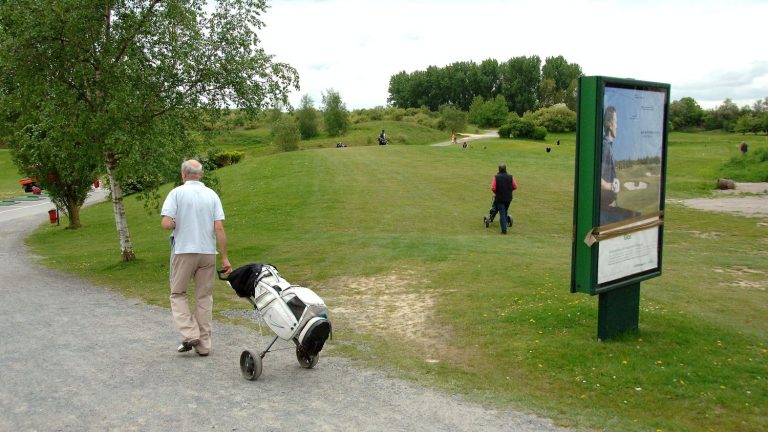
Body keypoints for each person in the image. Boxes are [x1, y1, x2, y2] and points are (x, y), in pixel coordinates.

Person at [161, 159, 231, 357]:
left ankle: (190, 333)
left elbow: (166, 223)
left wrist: (173, 222)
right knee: (204, 297)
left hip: (184, 250)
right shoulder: (212, 195)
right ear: (201, 174)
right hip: (208, 252)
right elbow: (218, 227)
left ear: (183, 174)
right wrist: (225, 257)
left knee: (178, 293)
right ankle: (204, 345)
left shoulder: (176, 193)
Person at [490, 164, 516, 235]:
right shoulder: (511, 177)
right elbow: (515, 186)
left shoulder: (496, 177)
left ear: (499, 169)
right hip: (508, 198)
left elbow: (493, 188)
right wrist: (509, 190)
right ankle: (506, 222)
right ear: (505, 169)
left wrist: (496, 192)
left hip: (499, 198)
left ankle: (504, 230)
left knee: (502, 213)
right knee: (505, 211)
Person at [600, 106, 619, 209]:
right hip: (605, 206)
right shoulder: (605, 145)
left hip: (610, 204)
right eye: (616, 122)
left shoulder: (609, 145)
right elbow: (596, 176)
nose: (617, 126)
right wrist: (611, 186)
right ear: (610, 125)